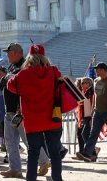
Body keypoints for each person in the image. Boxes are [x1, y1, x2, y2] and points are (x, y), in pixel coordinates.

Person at [6, 44, 63, 181]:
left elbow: (10, 86)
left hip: (32, 120)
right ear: (44, 57)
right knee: (55, 152)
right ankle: (57, 179)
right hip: (52, 118)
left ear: (29, 57)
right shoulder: (53, 71)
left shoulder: (23, 74)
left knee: (33, 153)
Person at [77, 61, 107, 162]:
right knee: (93, 133)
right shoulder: (96, 81)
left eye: (98, 69)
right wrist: (92, 112)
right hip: (97, 112)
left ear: (103, 70)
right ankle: (87, 154)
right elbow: (95, 98)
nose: (96, 71)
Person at [76, 77, 93, 153]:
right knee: (79, 133)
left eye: (86, 83)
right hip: (82, 116)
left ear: (90, 84)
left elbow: (93, 104)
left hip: (89, 116)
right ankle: (82, 151)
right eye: (82, 83)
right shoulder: (82, 92)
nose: (84, 84)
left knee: (85, 134)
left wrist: (92, 117)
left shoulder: (91, 92)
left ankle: (91, 151)